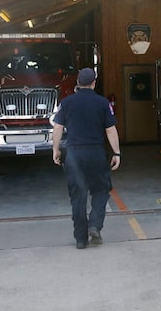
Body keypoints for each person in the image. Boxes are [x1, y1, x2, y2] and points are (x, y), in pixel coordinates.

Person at [52, 68, 121, 249]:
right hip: (95, 153)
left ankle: (81, 239)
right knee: (101, 190)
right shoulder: (102, 103)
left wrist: (56, 150)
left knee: (78, 196)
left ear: (78, 82)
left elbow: (58, 127)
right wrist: (116, 153)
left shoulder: (66, 103)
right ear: (94, 82)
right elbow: (110, 129)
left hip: (74, 154)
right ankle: (95, 225)